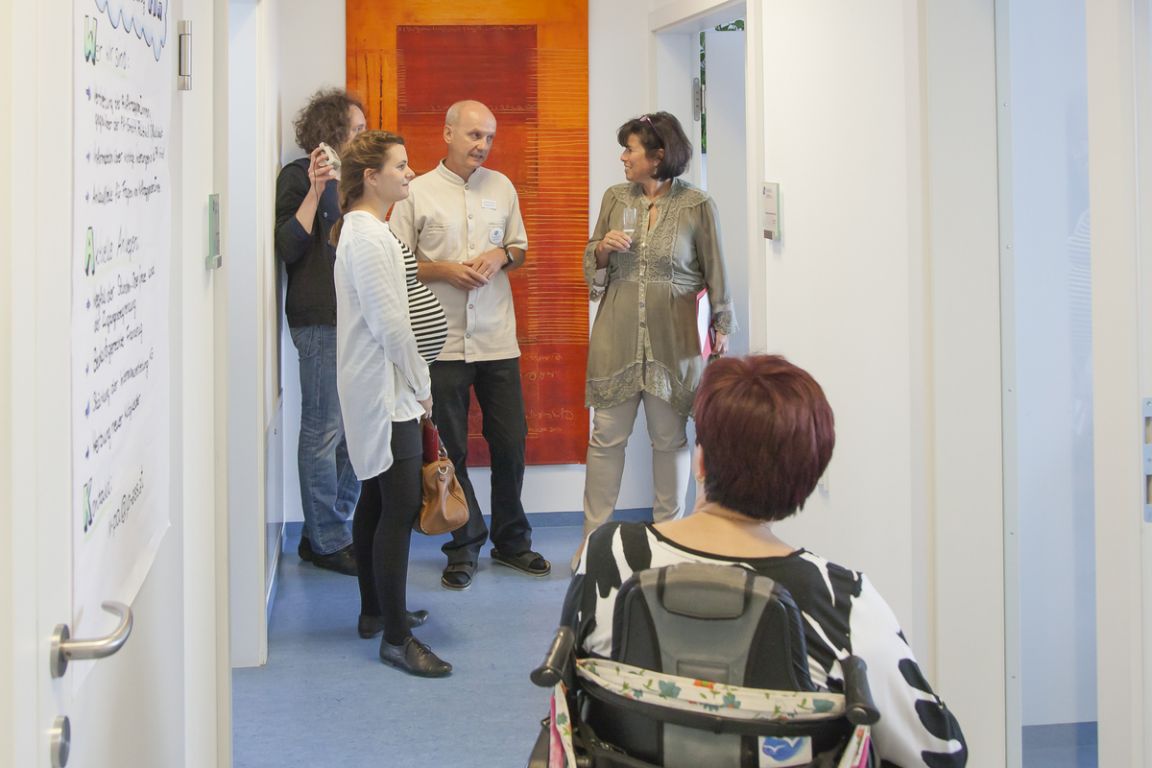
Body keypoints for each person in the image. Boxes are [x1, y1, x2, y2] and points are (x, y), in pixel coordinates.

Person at [563, 355, 968, 766]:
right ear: (807, 479)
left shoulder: (607, 555)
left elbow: (571, 693)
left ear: (701, 462)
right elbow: (939, 754)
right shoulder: (843, 603)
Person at [390, 99, 549, 591]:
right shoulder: (415, 192)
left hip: (497, 340)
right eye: (474, 135)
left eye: (489, 137)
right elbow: (395, 261)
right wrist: (442, 270)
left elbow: (520, 248)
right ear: (448, 133)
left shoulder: (501, 187)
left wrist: (501, 256)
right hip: (441, 344)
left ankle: (512, 542)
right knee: (451, 450)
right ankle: (463, 546)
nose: (482, 145)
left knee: (511, 443)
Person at [578, 111, 734, 565]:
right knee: (606, 438)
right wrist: (602, 249)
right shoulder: (614, 198)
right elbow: (592, 267)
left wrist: (721, 327)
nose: (623, 158)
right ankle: (592, 542)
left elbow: (717, 270)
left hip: (675, 338)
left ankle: (670, 542)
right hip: (617, 335)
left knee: (669, 439)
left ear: (658, 154)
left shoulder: (697, 205)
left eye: (630, 149)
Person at [331, 130, 451, 676]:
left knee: (376, 502)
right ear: (370, 177)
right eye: (400, 166)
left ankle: (376, 612)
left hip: (376, 387)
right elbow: (392, 327)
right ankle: (397, 639)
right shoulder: (369, 239)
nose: (409, 173)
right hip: (387, 391)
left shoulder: (362, 232)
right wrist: (422, 384)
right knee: (397, 509)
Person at [274, 89, 367, 575]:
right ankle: (329, 540)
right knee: (323, 429)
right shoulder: (297, 176)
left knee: (354, 431)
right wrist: (315, 190)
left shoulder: (353, 184)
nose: (363, 137)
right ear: (332, 131)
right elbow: (288, 247)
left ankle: (325, 531)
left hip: (353, 319)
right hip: (317, 319)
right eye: (357, 129)